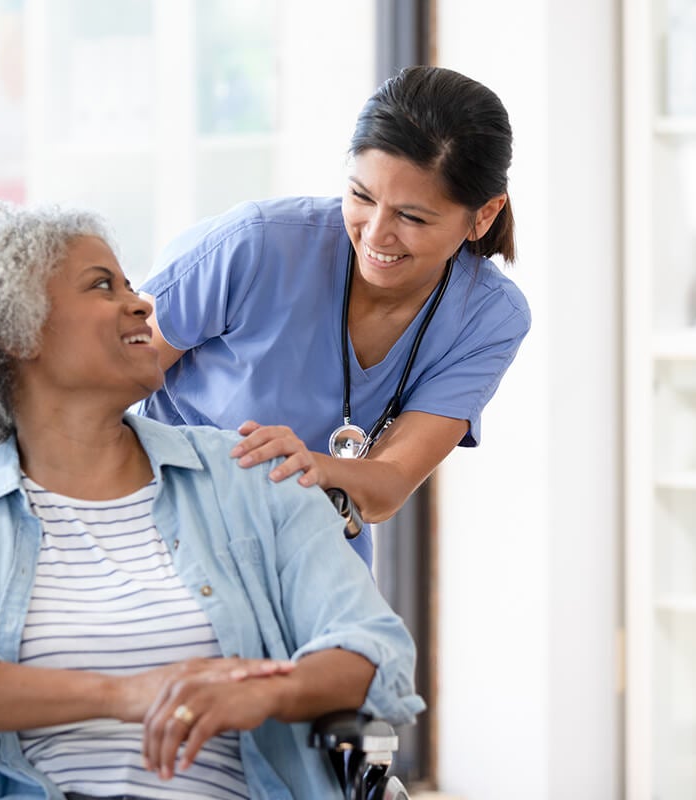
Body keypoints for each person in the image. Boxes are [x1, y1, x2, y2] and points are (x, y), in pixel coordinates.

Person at [0, 201, 423, 800]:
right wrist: (122, 695)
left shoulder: (250, 474)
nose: (141, 303)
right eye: (101, 286)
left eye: (130, 285)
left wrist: (270, 692)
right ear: (15, 333)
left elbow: (377, 647)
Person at [137, 66, 531, 567]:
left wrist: (309, 468)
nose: (376, 233)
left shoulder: (489, 317)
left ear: (485, 214)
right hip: (160, 537)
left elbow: (388, 484)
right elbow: (102, 387)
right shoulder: (257, 244)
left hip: (311, 561)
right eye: (362, 197)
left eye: (411, 217)